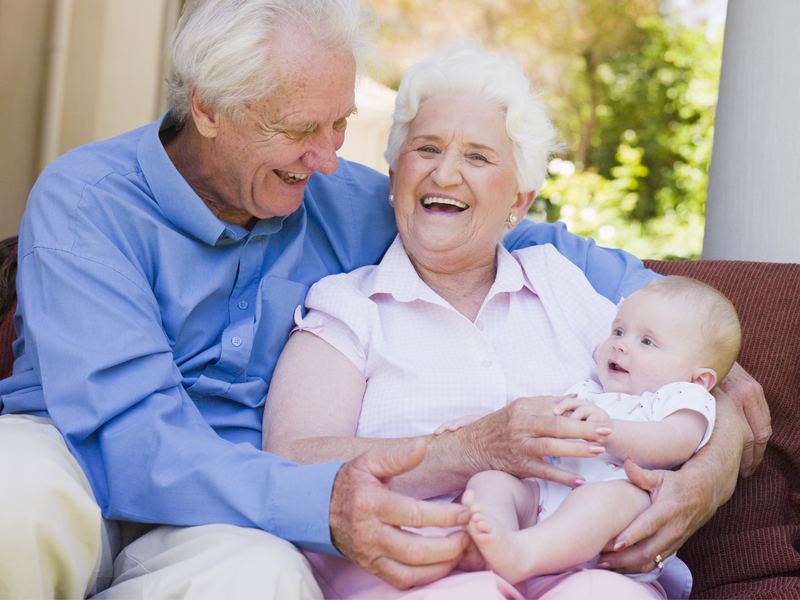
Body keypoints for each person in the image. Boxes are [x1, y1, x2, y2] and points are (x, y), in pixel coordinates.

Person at [0, 2, 730, 598]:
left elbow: (511, 229)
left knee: (260, 578)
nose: (326, 160)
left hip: (231, 508)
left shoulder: (335, 193)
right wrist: (322, 503)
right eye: (298, 131)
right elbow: (129, 440)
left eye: (340, 125)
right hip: (77, 458)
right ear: (209, 110)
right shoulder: (85, 202)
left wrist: (723, 419)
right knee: (12, 499)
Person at [263, 43, 758, 599]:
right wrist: (465, 450)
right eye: (426, 148)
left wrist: (708, 467)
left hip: (582, 564)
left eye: (477, 157)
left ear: (519, 202)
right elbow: (291, 462)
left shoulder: (558, 281)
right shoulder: (349, 307)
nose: (444, 172)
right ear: (396, 172)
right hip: (416, 568)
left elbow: (679, 377)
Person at [441, 276, 741, 587]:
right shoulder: (589, 391)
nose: (620, 344)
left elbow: (673, 442)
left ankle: (521, 555)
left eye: (647, 341)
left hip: (614, 515)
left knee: (604, 499)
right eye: (619, 331)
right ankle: (493, 544)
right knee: (490, 481)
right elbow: (536, 420)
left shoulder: (682, 398)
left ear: (698, 380)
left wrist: (609, 430)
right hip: (546, 497)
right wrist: (484, 424)